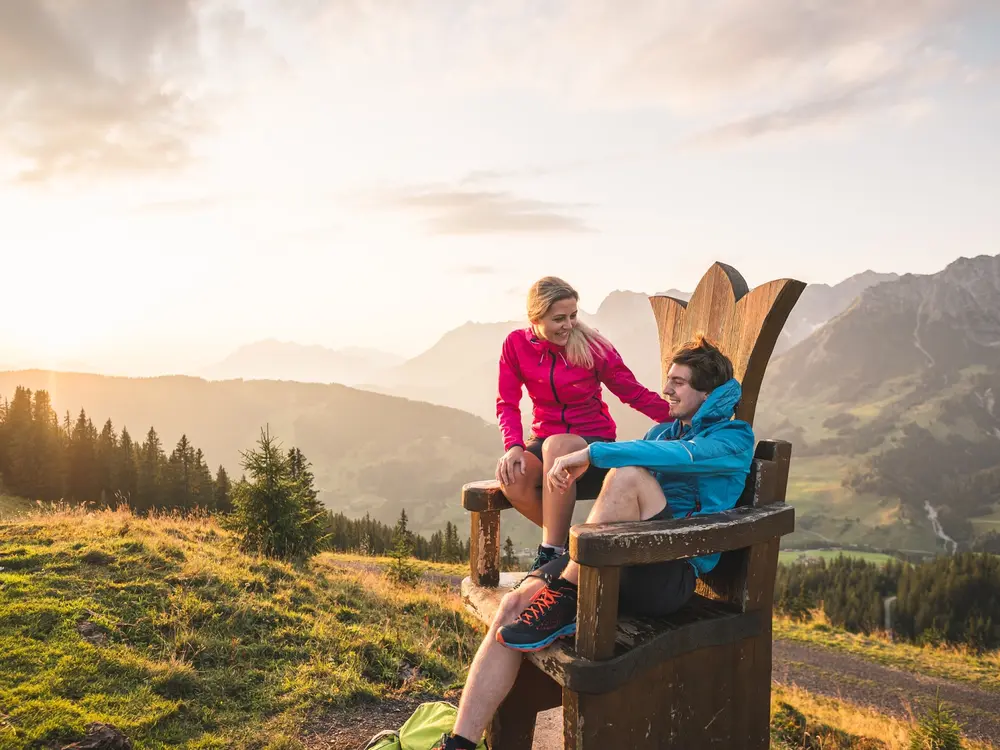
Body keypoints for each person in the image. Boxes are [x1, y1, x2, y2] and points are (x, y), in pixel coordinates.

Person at [433, 336, 754, 750]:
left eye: (677, 382)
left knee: (628, 475)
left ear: (707, 392)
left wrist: (593, 453)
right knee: (514, 606)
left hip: (668, 573)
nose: (666, 390)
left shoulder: (733, 439)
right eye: (667, 380)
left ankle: (565, 590)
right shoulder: (664, 430)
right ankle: (460, 743)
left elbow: (683, 457)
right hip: (613, 561)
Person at [495, 276, 673, 572]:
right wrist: (513, 446)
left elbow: (633, 392)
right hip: (544, 438)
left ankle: (549, 556)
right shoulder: (515, 345)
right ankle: (568, 549)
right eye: (559, 318)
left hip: (592, 442)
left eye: (573, 316)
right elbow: (507, 402)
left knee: (559, 445)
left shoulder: (593, 345)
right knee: (512, 476)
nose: (569, 325)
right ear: (535, 318)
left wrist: (682, 418)